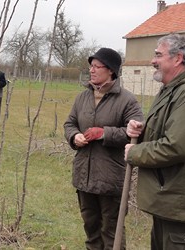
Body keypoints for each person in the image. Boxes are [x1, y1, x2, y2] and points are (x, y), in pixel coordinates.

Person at [125, 34, 185, 250]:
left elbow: (177, 146)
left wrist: (134, 153)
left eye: (158, 55)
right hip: (167, 199)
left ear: (177, 58)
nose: (153, 60)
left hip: (180, 203)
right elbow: (166, 133)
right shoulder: (172, 90)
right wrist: (140, 132)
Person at [64, 47, 144, 250]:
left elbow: (137, 132)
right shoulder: (82, 97)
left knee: (111, 232)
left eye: (97, 66)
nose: (92, 70)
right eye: (91, 66)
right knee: (91, 229)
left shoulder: (127, 100)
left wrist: (104, 133)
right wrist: (75, 136)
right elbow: (70, 123)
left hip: (110, 177)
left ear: (111, 70)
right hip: (84, 175)